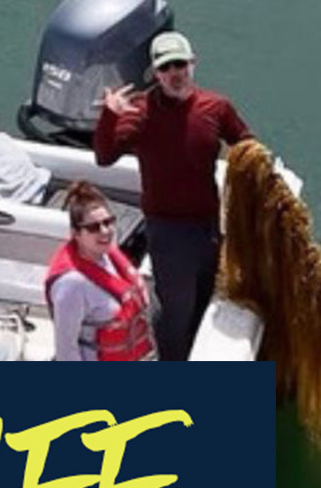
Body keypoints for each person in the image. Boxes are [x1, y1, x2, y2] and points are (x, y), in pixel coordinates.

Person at [94, 31, 253, 361]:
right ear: (155, 73)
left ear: (193, 63)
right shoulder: (140, 112)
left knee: (205, 299)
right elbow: (104, 157)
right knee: (175, 313)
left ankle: (196, 354)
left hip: (208, 225)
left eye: (179, 64)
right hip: (167, 230)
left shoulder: (217, 108)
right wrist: (110, 116)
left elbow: (246, 145)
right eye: (166, 68)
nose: (174, 73)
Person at [44, 181, 155, 362]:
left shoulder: (108, 254)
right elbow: (66, 351)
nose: (104, 231)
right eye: (93, 227)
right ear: (76, 233)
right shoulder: (71, 285)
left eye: (108, 222)